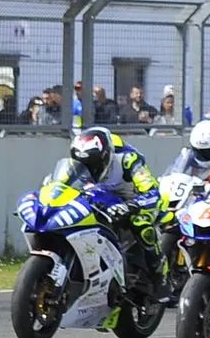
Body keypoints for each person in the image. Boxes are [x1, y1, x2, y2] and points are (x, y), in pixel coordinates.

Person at [67, 126, 163, 298]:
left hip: (132, 201)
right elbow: (62, 184)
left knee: (141, 224)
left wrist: (131, 205)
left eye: (93, 163)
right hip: (100, 199)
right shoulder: (76, 163)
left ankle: (159, 275)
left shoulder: (128, 160)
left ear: (105, 156)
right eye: (83, 164)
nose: (88, 169)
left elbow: (153, 192)